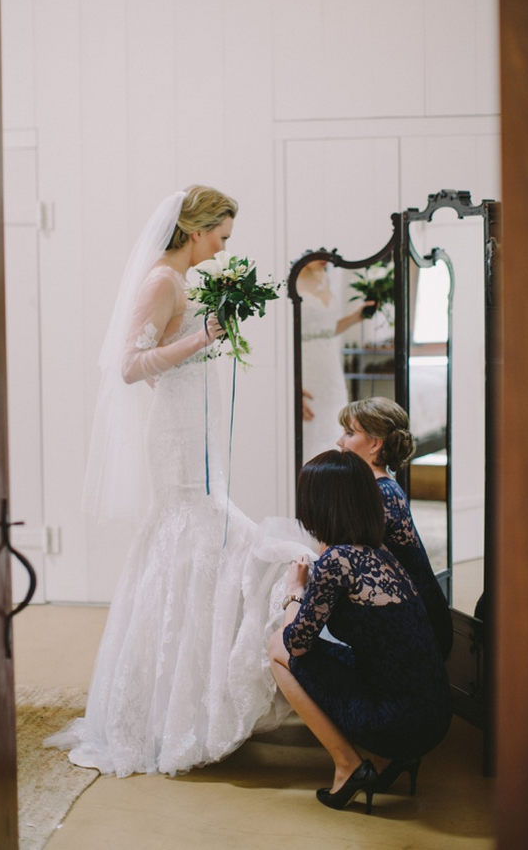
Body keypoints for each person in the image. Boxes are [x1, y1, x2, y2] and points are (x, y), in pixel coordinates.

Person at [46, 185, 315, 777]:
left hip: (196, 421)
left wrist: (201, 345)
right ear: (196, 229)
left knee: (204, 529)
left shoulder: (182, 279)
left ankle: (189, 697)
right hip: (175, 434)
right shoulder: (161, 281)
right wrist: (204, 337)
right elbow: (129, 365)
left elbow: (165, 355)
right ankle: (174, 709)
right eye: (221, 235)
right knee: (195, 526)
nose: (223, 247)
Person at [268, 450, 452, 814]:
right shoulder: (380, 551)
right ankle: (390, 761)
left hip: (400, 722)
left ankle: (347, 766)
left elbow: (297, 644)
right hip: (436, 712)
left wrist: (294, 591)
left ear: (318, 504)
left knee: (278, 647)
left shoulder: (338, 561)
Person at [336, 396, 453, 659]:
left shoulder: (381, 494)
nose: (339, 441)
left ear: (375, 444)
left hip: (422, 623)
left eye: (349, 432)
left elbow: (339, 555)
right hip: (408, 614)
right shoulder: (377, 488)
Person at [297, 260, 372, 461]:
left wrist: (356, 318)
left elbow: (327, 330)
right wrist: (293, 384)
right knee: (309, 431)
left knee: (335, 426)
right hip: (305, 366)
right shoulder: (291, 278)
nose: (326, 260)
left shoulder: (325, 276)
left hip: (330, 368)